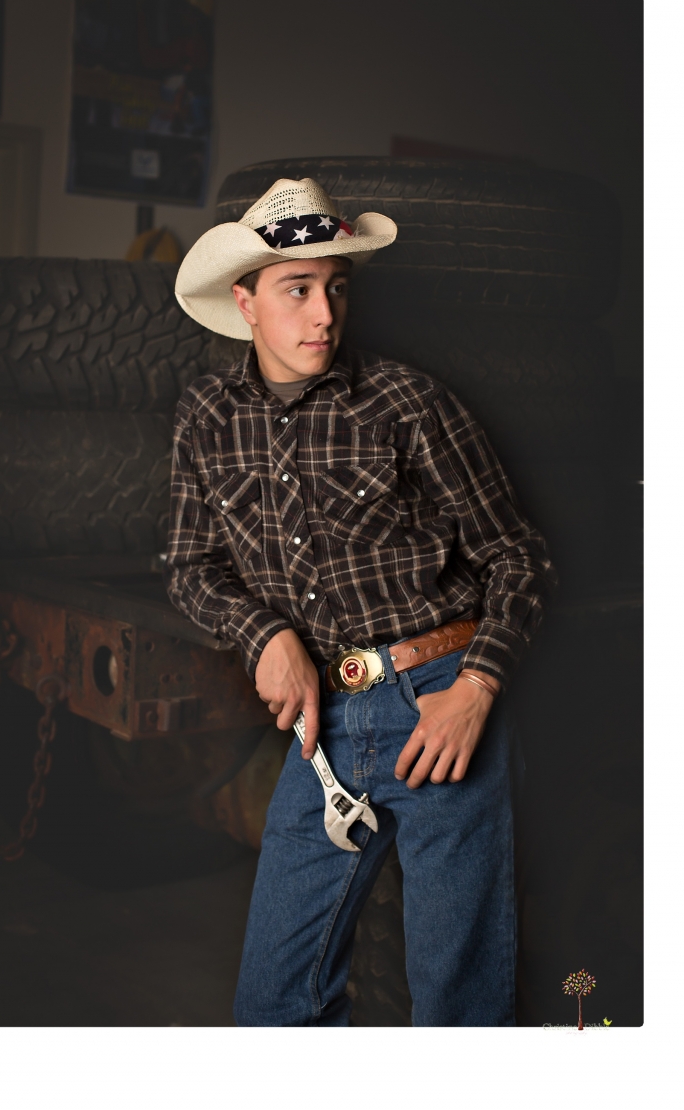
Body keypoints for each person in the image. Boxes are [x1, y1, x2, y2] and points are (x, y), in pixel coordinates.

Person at [167, 176, 557, 1026]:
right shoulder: (206, 417)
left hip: (441, 710)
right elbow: (190, 567)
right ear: (246, 303)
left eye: (337, 288)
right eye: (297, 290)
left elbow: (519, 555)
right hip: (325, 730)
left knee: (461, 1010)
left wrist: (478, 690)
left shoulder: (406, 403)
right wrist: (263, 633)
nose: (324, 316)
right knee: (274, 1005)